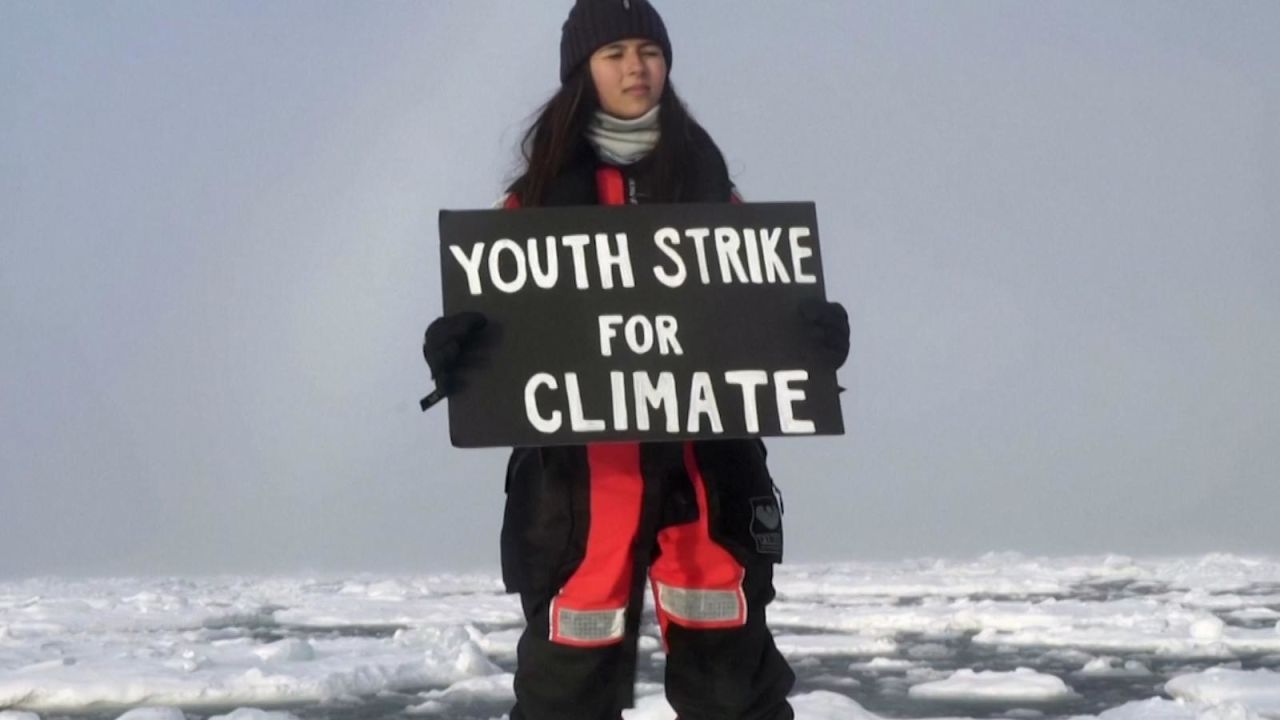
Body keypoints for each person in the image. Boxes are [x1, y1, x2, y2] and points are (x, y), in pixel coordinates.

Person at [422, 2, 850, 718]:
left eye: (648, 50)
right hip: (582, 492)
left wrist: (811, 338)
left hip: (709, 481)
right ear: (582, 71)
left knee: (734, 688)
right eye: (614, 52)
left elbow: (763, 311)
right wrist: (459, 350)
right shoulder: (531, 203)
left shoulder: (713, 187)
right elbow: (493, 319)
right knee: (566, 688)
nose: (635, 67)